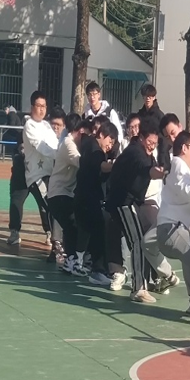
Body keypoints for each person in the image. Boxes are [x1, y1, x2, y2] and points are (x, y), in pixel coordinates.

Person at [104, 118, 175, 303]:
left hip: (132, 202)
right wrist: (162, 174)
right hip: (122, 202)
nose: (152, 146)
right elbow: (148, 170)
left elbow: (153, 164)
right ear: (142, 138)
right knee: (137, 242)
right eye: (150, 142)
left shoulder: (145, 151)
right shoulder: (136, 153)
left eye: (155, 143)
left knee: (142, 240)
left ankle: (150, 280)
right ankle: (138, 289)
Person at [156, 131, 190, 317]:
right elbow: (189, 191)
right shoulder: (178, 163)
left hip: (174, 229)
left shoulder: (187, 167)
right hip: (171, 229)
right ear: (185, 148)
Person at [15, 92, 60, 259]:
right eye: (38, 106)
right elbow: (42, 147)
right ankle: (56, 243)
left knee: (53, 206)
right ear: (32, 107)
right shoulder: (30, 126)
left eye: (44, 106)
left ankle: (55, 239)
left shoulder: (47, 126)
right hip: (36, 176)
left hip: (50, 174)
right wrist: (61, 155)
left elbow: (55, 144)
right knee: (50, 205)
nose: (41, 110)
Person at [72, 120, 116, 281]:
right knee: (99, 234)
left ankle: (86, 265)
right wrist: (116, 165)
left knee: (88, 233)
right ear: (102, 135)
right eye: (110, 140)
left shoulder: (87, 143)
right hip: (89, 199)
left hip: (83, 197)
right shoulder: (95, 150)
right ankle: (98, 271)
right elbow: (102, 166)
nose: (110, 146)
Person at [47, 114, 85, 273]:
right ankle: (71, 260)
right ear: (79, 130)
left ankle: (71, 260)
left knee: (72, 225)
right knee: (72, 225)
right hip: (59, 193)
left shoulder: (68, 142)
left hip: (62, 193)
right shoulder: (69, 144)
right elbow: (81, 162)